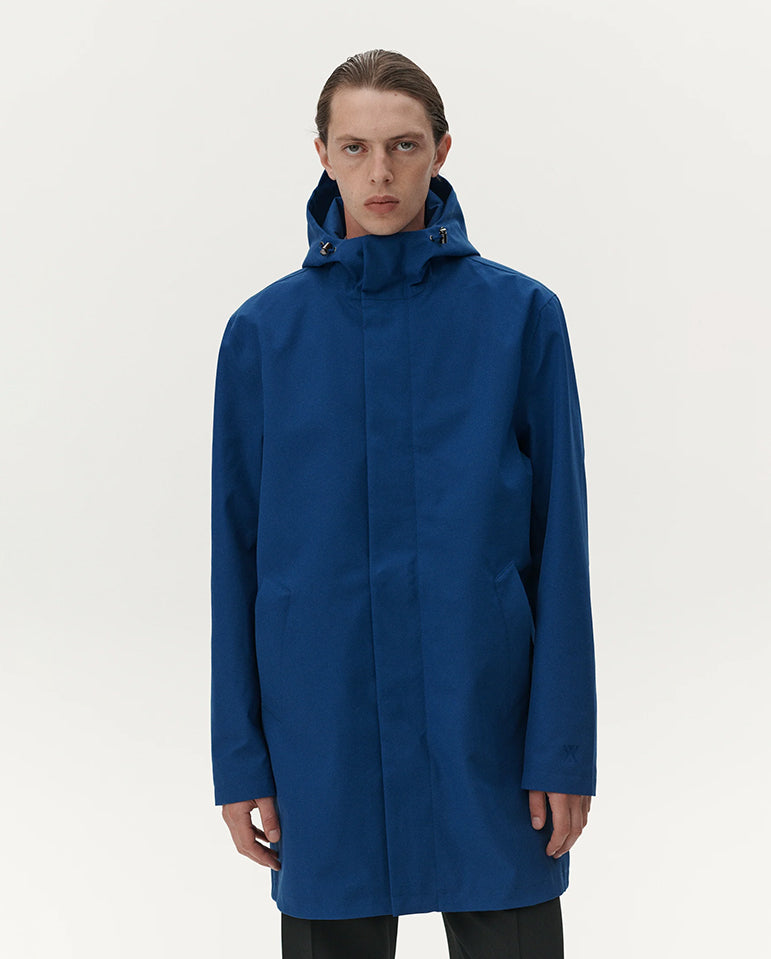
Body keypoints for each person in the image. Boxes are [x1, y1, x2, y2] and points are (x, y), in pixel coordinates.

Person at [210, 49, 597, 959]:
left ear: (441, 150)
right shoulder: (262, 334)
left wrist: (561, 749)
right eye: (354, 147)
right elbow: (235, 557)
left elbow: (562, 544)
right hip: (323, 729)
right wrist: (241, 756)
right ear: (322, 154)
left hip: (487, 724)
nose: (379, 172)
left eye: (403, 145)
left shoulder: (520, 317)